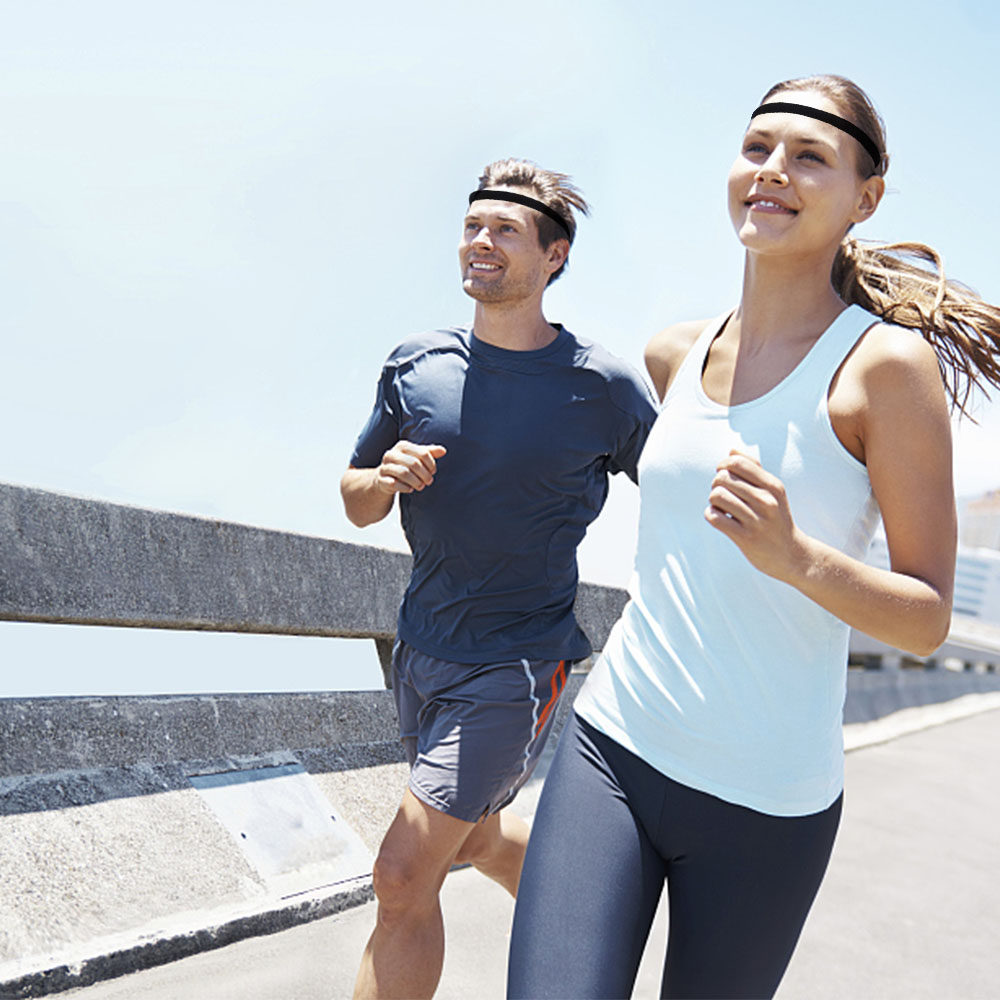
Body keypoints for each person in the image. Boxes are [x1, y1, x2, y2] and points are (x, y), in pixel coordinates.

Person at [507, 75, 1000, 1000]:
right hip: (615, 744)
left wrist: (797, 558)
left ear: (866, 198)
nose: (772, 171)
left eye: (809, 156)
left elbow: (928, 618)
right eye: (757, 148)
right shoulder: (675, 354)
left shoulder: (885, 368)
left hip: (766, 802)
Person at [341, 158, 658, 999]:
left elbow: (678, 491)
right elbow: (355, 498)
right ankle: (589, 922)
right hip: (421, 650)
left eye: (505, 231)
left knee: (404, 875)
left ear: (554, 257)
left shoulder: (603, 384)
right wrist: (384, 478)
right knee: (470, 842)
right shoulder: (417, 364)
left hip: (517, 665)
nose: (481, 243)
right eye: (473, 227)